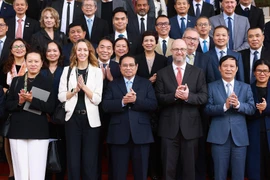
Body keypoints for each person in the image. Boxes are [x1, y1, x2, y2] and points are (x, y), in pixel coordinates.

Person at [155, 39, 208, 180]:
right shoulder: (162, 73)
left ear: (187, 51)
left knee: (189, 169)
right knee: (168, 169)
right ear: (171, 51)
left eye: (182, 49)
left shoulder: (198, 72)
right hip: (168, 128)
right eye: (176, 49)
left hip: (191, 128)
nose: (179, 52)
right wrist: (174, 96)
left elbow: (203, 97)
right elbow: (158, 98)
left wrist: (187, 96)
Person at [102, 54, 157, 180]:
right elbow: (105, 105)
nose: (128, 68)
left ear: (136, 67)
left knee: (141, 174)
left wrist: (136, 100)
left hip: (141, 135)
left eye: (131, 65)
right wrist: (123, 101)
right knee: (118, 174)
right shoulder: (113, 84)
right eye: (125, 65)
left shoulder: (145, 83)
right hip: (118, 135)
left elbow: (153, 104)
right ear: (120, 68)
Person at [6, 50, 55, 180]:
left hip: (38, 131)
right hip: (17, 131)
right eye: (30, 61)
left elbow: (50, 107)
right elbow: (7, 106)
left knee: (37, 173)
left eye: (36, 61)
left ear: (41, 63)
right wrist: (20, 101)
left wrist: (32, 100)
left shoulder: (48, 82)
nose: (33, 64)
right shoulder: (16, 81)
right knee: (20, 173)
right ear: (25, 63)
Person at [58, 39, 103, 179]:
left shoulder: (97, 71)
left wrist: (84, 88)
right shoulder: (67, 70)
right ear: (75, 52)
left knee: (90, 160)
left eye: (85, 50)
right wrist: (75, 90)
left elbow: (97, 99)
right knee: (73, 159)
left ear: (89, 52)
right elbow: (61, 96)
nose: (82, 52)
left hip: (91, 121)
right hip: (72, 119)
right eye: (79, 50)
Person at [205, 55, 255, 180]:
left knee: (238, 175)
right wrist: (224, 106)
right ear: (219, 68)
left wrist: (238, 105)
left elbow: (252, 109)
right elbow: (206, 109)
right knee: (219, 174)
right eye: (225, 66)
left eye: (232, 66)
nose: (228, 69)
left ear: (237, 69)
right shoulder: (211, 86)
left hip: (240, 138)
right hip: (218, 137)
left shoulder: (245, 87)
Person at [135, 31, 167, 180]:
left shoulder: (164, 60)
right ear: (142, 43)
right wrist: (148, 82)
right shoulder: (136, 60)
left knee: (157, 140)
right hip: (140, 104)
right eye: (146, 41)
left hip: (159, 105)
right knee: (143, 140)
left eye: (151, 40)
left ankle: (155, 171)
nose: (148, 43)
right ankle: (144, 170)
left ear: (156, 43)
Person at [0, 38, 29, 180]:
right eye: (15, 46)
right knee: (8, 138)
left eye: (21, 46)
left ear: (26, 48)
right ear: (11, 50)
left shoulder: (31, 64)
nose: (19, 49)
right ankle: (12, 171)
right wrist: (5, 90)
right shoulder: (5, 66)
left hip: (28, 106)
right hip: (9, 106)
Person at [40, 40, 66, 180]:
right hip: (43, 116)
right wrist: (47, 111)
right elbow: (37, 92)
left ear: (60, 52)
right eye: (49, 51)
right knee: (45, 148)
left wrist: (56, 112)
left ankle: (61, 175)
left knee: (62, 147)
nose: (52, 53)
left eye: (55, 50)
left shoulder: (66, 70)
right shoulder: (40, 70)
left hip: (62, 115)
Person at [246, 59, 270, 180]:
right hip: (253, 133)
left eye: (265, 71)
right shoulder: (247, 88)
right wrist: (257, 110)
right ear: (254, 72)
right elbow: (244, 111)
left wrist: (266, 109)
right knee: (255, 168)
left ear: (269, 73)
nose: (262, 73)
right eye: (259, 70)